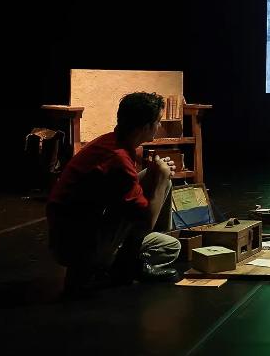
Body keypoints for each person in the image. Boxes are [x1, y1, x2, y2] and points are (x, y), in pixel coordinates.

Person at [47, 92, 181, 294]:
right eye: (158, 121)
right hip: (75, 246)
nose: (160, 126)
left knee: (170, 244)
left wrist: (158, 175)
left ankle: (127, 262)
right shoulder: (117, 158)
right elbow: (146, 220)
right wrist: (161, 180)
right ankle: (118, 269)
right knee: (159, 185)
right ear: (145, 127)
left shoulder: (114, 142)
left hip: (79, 232)